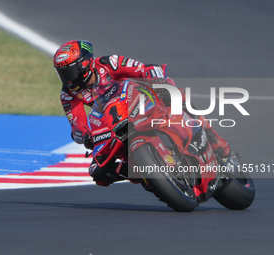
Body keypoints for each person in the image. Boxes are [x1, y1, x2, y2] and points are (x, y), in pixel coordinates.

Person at [53, 40, 231, 186]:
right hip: (115, 122)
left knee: (174, 92)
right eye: (62, 73)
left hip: (140, 99)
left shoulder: (109, 63)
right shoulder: (68, 94)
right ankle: (150, 178)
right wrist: (86, 137)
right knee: (97, 172)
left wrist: (158, 81)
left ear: (85, 64)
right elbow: (78, 125)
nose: (67, 79)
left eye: (69, 71)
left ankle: (213, 138)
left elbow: (145, 69)